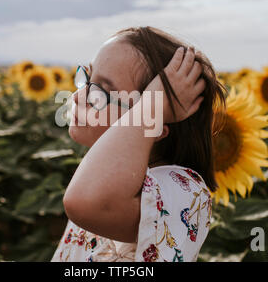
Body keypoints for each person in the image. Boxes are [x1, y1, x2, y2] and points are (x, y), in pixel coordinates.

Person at [51, 26, 228, 262]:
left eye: (101, 91)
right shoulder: (105, 173)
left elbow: (84, 203)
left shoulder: (183, 190)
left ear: (154, 125)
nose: (76, 96)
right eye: (87, 78)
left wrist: (151, 108)